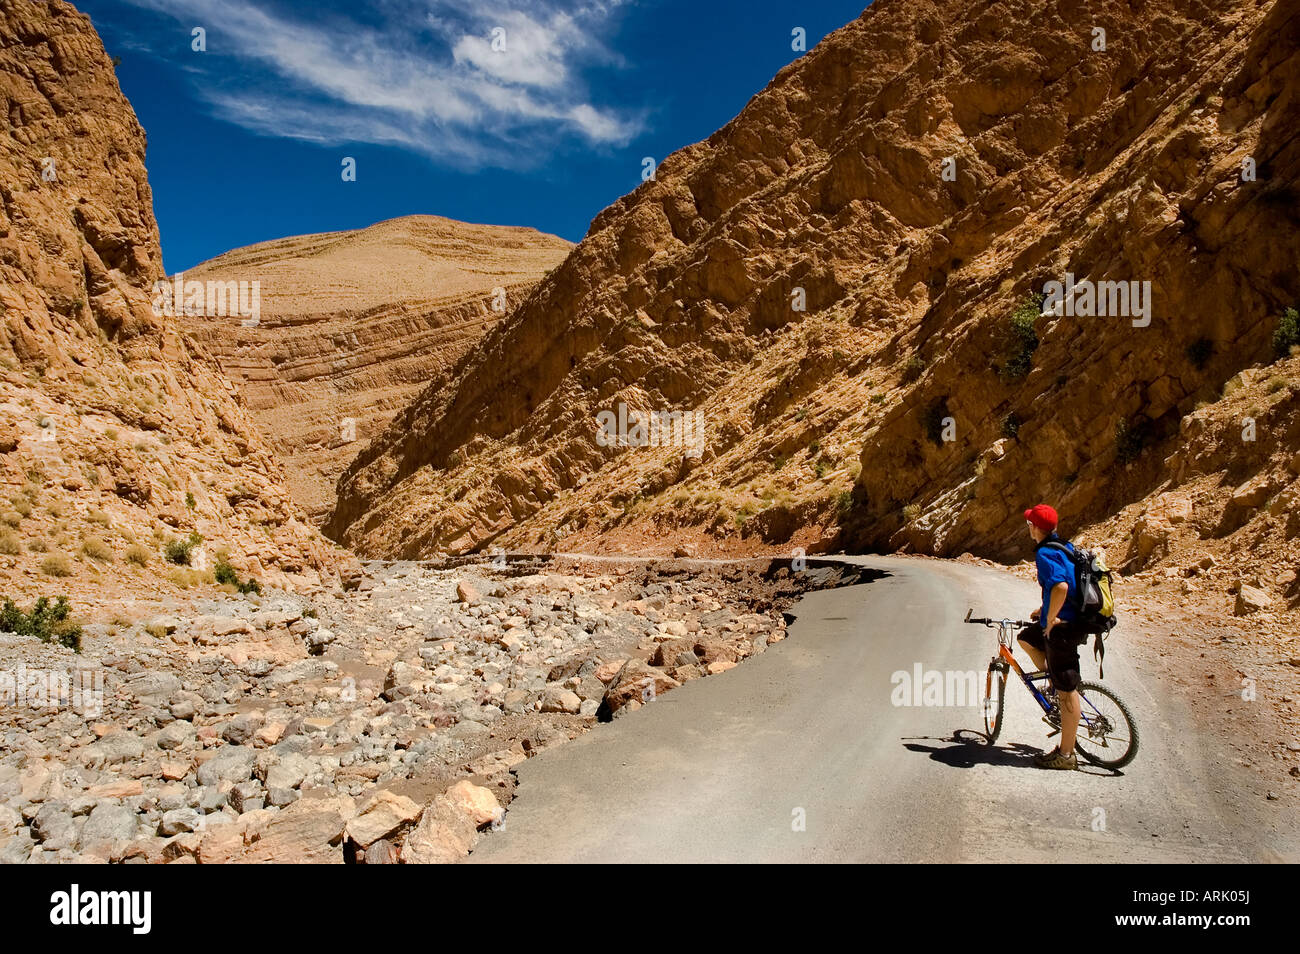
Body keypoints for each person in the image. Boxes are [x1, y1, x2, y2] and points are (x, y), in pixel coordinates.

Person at [1016, 504, 1087, 770]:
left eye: (1029, 525)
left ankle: (1066, 755)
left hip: (1064, 629)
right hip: (1071, 618)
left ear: (1035, 527)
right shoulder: (1063, 547)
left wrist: (1050, 619)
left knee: (1067, 693)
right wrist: (1043, 611)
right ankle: (1054, 679)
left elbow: (1060, 586)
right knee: (1026, 638)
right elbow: (1064, 586)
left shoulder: (1045, 553)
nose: (1029, 529)